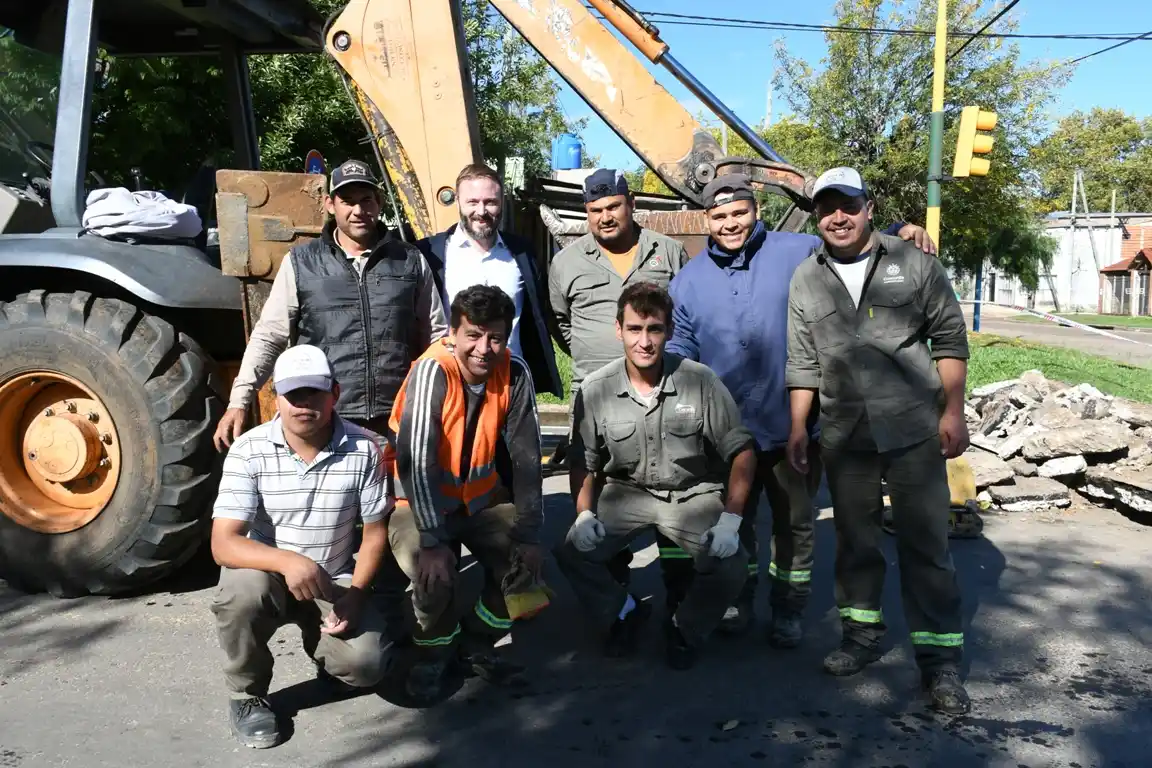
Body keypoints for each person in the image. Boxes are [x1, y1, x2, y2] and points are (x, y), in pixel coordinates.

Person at [666, 173, 937, 644]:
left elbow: (851, 244)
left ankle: (788, 609)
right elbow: (681, 352)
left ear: (756, 210)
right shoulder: (688, 282)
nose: (730, 224)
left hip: (794, 424)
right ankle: (738, 601)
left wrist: (900, 229)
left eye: (739, 213)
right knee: (735, 523)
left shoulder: (797, 251)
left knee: (795, 525)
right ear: (705, 219)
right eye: (719, 216)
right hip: (728, 434)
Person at [785, 167, 971, 714]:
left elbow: (950, 337)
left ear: (868, 207)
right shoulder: (806, 278)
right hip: (844, 433)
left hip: (913, 427)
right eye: (826, 208)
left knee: (925, 546)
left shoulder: (913, 262)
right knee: (856, 543)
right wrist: (799, 425)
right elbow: (802, 360)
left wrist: (954, 411)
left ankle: (939, 666)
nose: (837, 217)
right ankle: (861, 638)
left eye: (847, 204)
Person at [555, 282, 756, 670]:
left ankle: (685, 627)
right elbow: (584, 459)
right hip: (626, 494)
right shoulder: (596, 389)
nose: (644, 342)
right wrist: (583, 514)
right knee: (571, 552)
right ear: (619, 330)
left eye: (654, 329)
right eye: (634, 329)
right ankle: (625, 611)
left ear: (669, 331)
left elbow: (742, 451)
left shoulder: (701, 382)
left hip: (692, 495)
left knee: (733, 563)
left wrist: (731, 519)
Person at [210, 345, 392, 749]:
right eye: (293, 394)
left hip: (335, 576)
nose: (303, 404)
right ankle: (247, 694)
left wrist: (358, 596)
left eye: (314, 392)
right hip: (266, 575)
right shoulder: (248, 450)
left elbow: (376, 533)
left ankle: (325, 650)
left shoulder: (366, 450)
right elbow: (223, 544)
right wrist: (289, 562)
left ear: (335, 394)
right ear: (277, 397)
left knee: (367, 666)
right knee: (242, 593)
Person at [213, 158, 448, 446]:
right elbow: (269, 336)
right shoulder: (302, 263)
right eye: (347, 201)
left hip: (399, 420)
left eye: (366, 200)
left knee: (394, 493)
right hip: (325, 420)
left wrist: (441, 401)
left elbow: (437, 337)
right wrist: (239, 400)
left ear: (379, 202)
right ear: (329, 204)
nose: (358, 210)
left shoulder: (409, 260)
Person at [385, 284, 546, 702]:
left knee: (525, 573)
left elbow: (528, 459)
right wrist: (434, 540)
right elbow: (415, 460)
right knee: (431, 574)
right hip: (419, 505)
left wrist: (529, 533)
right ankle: (432, 656)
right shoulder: (432, 371)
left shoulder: (515, 371)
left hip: (480, 502)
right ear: (452, 333)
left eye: (495, 336)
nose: (484, 348)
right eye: (473, 335)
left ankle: (475, 645)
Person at [547, 168, 694, 609]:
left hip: (661, 393)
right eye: (595, 211)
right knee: (600, 497)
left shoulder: (667, 251)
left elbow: (682, 317)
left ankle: (677, 604)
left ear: (631, 205)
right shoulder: (566, 262)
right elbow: (561, 324)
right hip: (596, 398)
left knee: (673, 495)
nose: (605, 217)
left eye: (613, 207)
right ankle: (619, 606)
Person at [416, 164, 563, 398]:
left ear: (501, 203)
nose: (481, 211)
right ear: (458, 202)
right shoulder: (430, 253)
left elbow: (541, 316)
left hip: (511, 384)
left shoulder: (523, 253)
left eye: (490, 202)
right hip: (451, 384)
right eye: (472, 202)